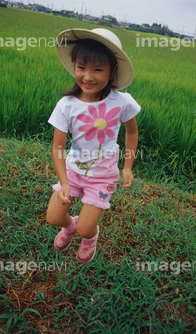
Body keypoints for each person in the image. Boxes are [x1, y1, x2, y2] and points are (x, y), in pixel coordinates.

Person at [47, 28, 141, 264]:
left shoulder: (121, 101)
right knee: (53, 217)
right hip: (72, 171)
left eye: (97, 69)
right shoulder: (66, 105)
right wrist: (65, 182)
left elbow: (132, 131)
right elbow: (58, 147)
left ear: (112, 72)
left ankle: (90, 238)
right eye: (81, 67)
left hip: (102, 176)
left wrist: (128, 166)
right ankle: (69, 227)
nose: (88, 76)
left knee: (86, 229)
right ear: (74, 66)